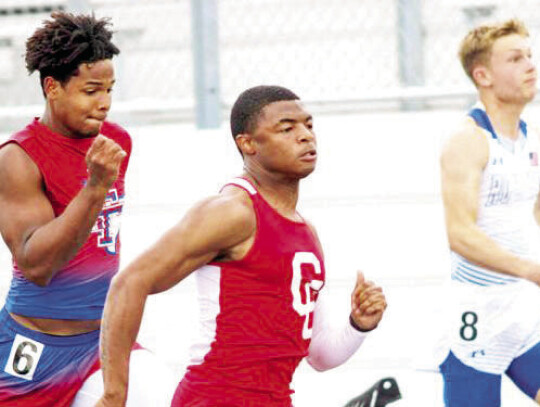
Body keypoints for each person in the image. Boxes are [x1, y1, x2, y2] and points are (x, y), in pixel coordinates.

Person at [96, 85, 387, 407]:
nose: (305, 135)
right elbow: (129, 283)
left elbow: (320, 355)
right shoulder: (232, 211)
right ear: (247, 143)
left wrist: (359, 324)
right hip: (217, 398)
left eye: (309, 125)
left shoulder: (306, 232)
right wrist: (113, 395)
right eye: (287, 128)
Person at [0, 12, 175, 407]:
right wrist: (95, 188)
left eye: (110, 89)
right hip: (37, 347)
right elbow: (37, 265)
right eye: (91, 90)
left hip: (101, 343)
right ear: (52, 87)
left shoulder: (116, 143)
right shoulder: (18, 157)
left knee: (167, 398)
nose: (104, 104)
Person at [438, 18, 540, 406]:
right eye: (515, 59)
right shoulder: (468, 141)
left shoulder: (530, 138)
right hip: (476, 317)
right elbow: (460, 235)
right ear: (483, 75)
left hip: (523, 312)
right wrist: (531, 270)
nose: (530, 65)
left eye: (530, 55)